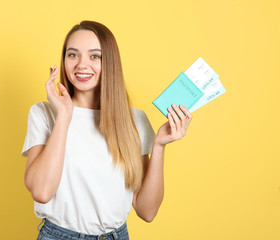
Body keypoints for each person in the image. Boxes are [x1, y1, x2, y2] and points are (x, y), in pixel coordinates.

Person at [21, 20, 193, 240]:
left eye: (95, 56)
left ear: (110, 62)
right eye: (73, 55)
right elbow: (41, 192)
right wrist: (64, 116)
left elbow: (147, 211)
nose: (82, 65)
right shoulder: (44, 114)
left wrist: (158, 145)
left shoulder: (134, 120)